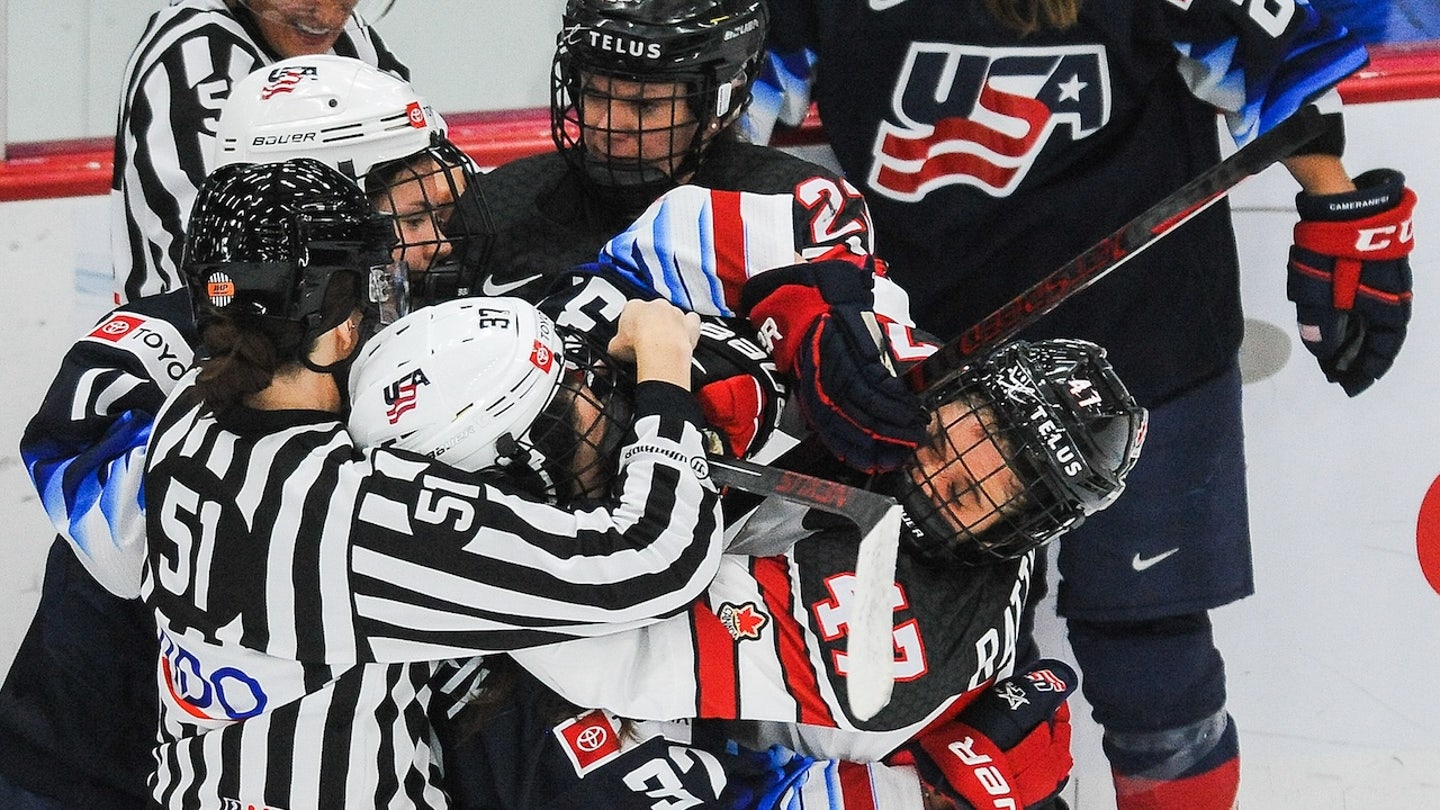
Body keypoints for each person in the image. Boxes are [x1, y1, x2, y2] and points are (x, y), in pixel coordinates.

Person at [743, 1, 1418, 807]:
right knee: (957, 683)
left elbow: (1283, 61)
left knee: (1154, 661)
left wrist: (1337, 205)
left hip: (1142, 352)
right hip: (935, 370)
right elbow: (724, 101)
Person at [348, 275, 1150, 808]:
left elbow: (617, 622)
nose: (941, 479)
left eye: (975, 494)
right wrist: (801, 328)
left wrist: (678, 418)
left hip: (667, 700)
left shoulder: (907, 640)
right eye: (945, 444)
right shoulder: (918, 380)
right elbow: (797, 276)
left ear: (1022, 531)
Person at [141, 156, 721, 809]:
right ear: (343, 319)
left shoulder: (185, 414)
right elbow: (654, 559)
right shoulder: (344, 516)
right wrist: (665, 371)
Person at [0, 59, 487, 809]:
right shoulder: (140, 353)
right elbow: (127, 543)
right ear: (320, 213)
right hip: (89, 758)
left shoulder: (382, 340)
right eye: (411, 217)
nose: (436, 247)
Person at [477, 0, 932, 475]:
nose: (608, 126)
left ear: (721, 101)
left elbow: (884, 375)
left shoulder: (794, 206)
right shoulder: (502, 203)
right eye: (594, 93)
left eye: (643, 104)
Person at [112, 0, 407, 304]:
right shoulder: (196, 53)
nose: (327, 17)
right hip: (205, 339)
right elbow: (219, 267)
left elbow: (424, 172)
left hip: (330, 321)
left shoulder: (349, 36)